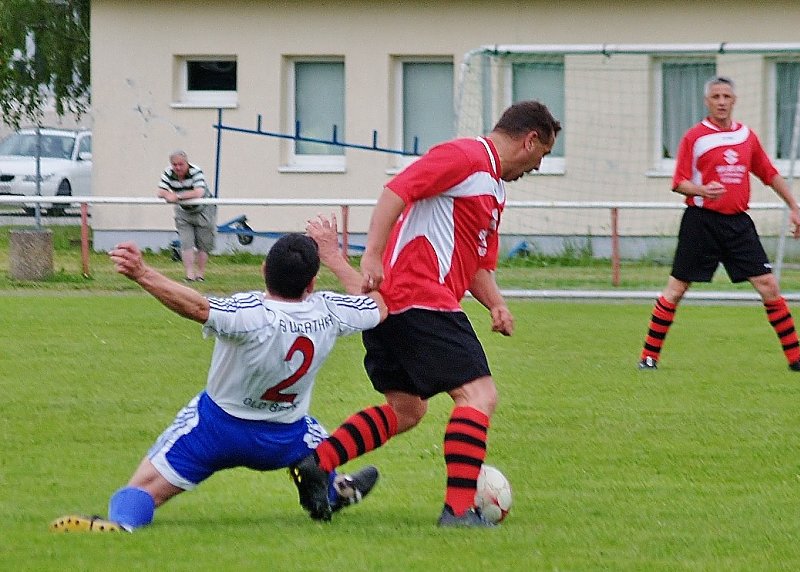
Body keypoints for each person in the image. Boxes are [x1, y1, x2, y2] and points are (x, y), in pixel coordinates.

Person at [289, 100, 562, 527]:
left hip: (396, 307)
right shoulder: (465, 156)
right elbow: (397, 191)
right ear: (530, 140)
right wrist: (373, 256)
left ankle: (319, 463)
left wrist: (496, 304)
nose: (538, 167)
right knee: (478, 396)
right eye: (542, 155)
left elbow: (475, 265)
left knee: (406, 410)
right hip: (419, 297)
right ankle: (458, 512)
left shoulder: (493, 189)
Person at [51, 216, 389, 532]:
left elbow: (197, 306)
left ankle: (121, 525)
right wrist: (332, 255)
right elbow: (378, 305)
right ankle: (336, 490)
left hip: (215, 430)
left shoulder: (251, 312)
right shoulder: (328, 310)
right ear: (312, 283)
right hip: (288, 436)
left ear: (263, 270)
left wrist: (142, 273)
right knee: (323, 449)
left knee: (140, 491)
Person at [637, 76, 800, 373]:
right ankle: (648, 356)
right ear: (707, 101)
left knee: (769, 285)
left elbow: (769, 174)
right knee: (677, 289)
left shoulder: (747, 137)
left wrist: (794, 207)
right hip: (701, 222)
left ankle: (796, 359)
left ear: (734, 101)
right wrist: (702, 190)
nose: (721, 102)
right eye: (716, 96)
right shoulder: (694, 137)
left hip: (738, 225)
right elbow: (679, 182)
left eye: (726, 97)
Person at [157, 150, 217, 282]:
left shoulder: (196, 171)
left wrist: (177, 196)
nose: (177, 167)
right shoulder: (168, 172)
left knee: (204, 244)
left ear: (186, 163)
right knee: (186, 243)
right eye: (174, 165)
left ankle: (200, 275)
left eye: (180, 164)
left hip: (203, 209)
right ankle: (189, 275)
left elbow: (199, 192)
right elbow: (160, 191)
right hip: (183, 211)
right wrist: (168, 195)